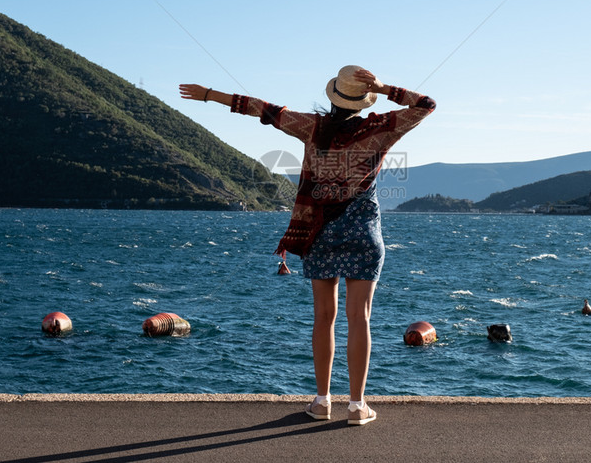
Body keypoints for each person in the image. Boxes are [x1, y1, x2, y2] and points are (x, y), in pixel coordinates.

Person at [179, 65, 435, 425]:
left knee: (323, 319)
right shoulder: (380, 129)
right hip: (364, 235)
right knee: (359, 318)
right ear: (364, 100)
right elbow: (426, 105)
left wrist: (209, 94)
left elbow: (261, 108)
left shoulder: (311, 127)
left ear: (334, 96)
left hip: (320, 233)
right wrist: (385, 87)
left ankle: (321, 401)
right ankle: (358, 406)